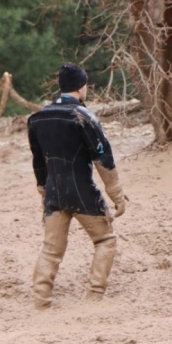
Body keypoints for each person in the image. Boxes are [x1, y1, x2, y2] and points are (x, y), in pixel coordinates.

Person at [27, 63, 127, 310]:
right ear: (82, 87)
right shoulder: (84, 116)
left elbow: (38, 162)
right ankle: (94, 296)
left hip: (53, 192)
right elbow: (103, 158)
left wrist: (44, 193)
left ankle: (41, 301)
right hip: (82, 191)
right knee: (105, 240)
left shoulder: (37, 119)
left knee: (51, 249)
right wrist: (116, 194)